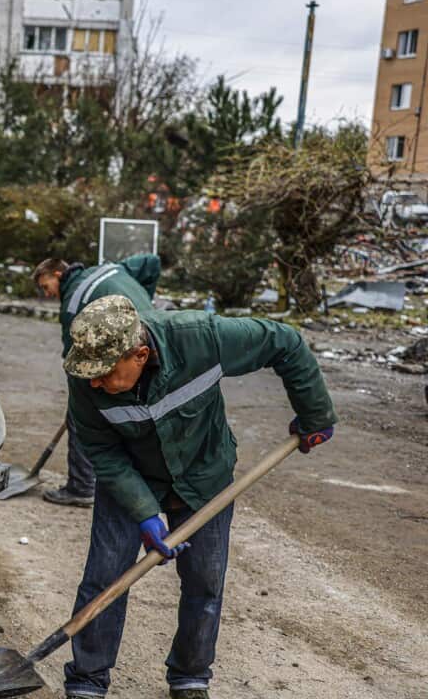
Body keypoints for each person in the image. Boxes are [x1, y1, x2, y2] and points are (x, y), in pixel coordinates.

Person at [61, 295, 336, 699]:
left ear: (139, 354)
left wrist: (316, 414)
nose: (94, 383)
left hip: (203, 476)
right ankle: (87, 679)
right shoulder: (86, 371)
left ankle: (190, 676)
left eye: (103, 374)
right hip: (132, 477)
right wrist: (143, 510)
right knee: (105, 575)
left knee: (204, 579)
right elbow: (100, 450)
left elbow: (285, 342)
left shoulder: (201, 338)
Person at [32, 254, 160, 508]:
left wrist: (78, 404)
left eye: (46, 287)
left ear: (58, 275)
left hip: (128, 348)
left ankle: (80, 486)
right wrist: (146, 302)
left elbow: (76, 365)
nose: (47, 294)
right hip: (155, 335)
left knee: (83, 413)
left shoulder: (73, 305)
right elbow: (151, 263)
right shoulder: (112, 268)